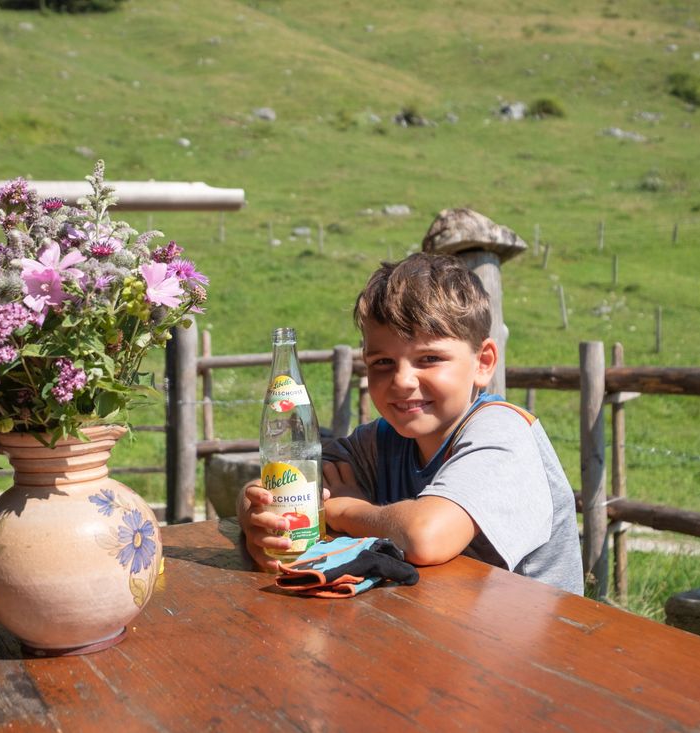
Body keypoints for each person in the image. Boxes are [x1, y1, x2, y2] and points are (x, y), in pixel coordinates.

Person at [238, 252, 584, 594]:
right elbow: (289, 478)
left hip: (531, 644)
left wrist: (342, 509)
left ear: (483, 362)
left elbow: (425, 536)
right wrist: (259, 516)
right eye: (383, 361)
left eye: (429, 358)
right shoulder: (382, 440)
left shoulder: (503, 434)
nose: (402, 380)